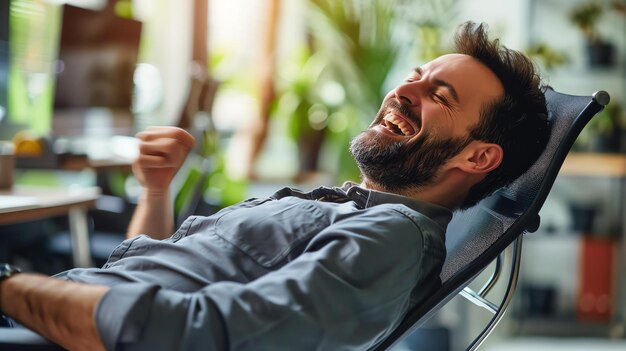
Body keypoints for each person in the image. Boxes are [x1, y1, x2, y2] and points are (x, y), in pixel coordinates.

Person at [0, 21, 549, 350]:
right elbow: (151, 276)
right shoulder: (351, 209)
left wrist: (8, 287)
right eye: (416, 75)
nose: (406, 90)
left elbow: (193, 337)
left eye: (441, 95)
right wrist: (156, 192)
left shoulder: (392, 239)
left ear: (480, 156)